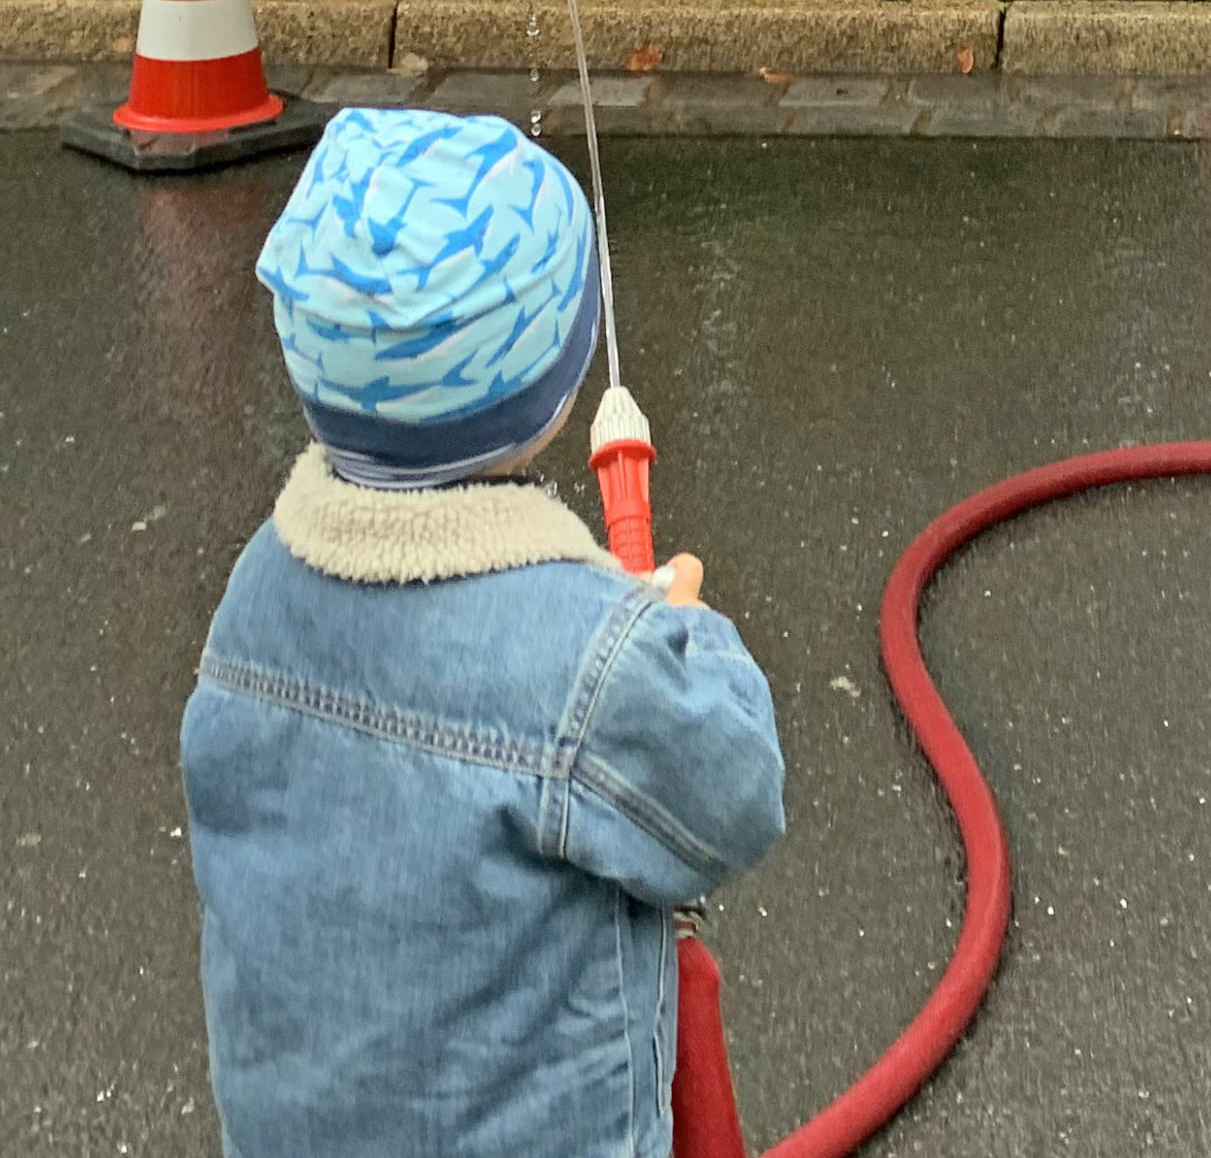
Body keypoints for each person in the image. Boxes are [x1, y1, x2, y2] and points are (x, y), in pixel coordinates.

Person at [183, 108, 785, 1158]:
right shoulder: (589, 663)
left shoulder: (254, 594)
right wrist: (681, 627)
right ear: (549, 394)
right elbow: (736, 792)